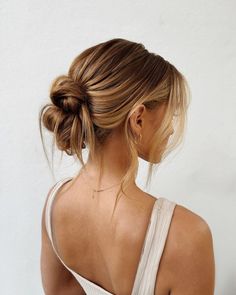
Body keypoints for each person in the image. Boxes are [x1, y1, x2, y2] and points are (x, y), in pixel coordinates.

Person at [39, 38, 215, 295]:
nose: (172, 128)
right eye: (171, 115)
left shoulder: (55, 204)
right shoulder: (186, 236)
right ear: (139, 119)